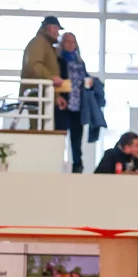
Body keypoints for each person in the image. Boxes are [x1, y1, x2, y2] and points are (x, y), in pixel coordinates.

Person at [56, 32, 90, 174]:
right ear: (62, 44)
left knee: (77, 140)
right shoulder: (58, 61)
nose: (70, 45)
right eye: (67, 41)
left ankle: (78, 167)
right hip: (64, 105)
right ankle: (57, 164)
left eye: (72, 42)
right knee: (60, 137)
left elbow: (85, 79)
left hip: (78, 106)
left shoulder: (80, 62)